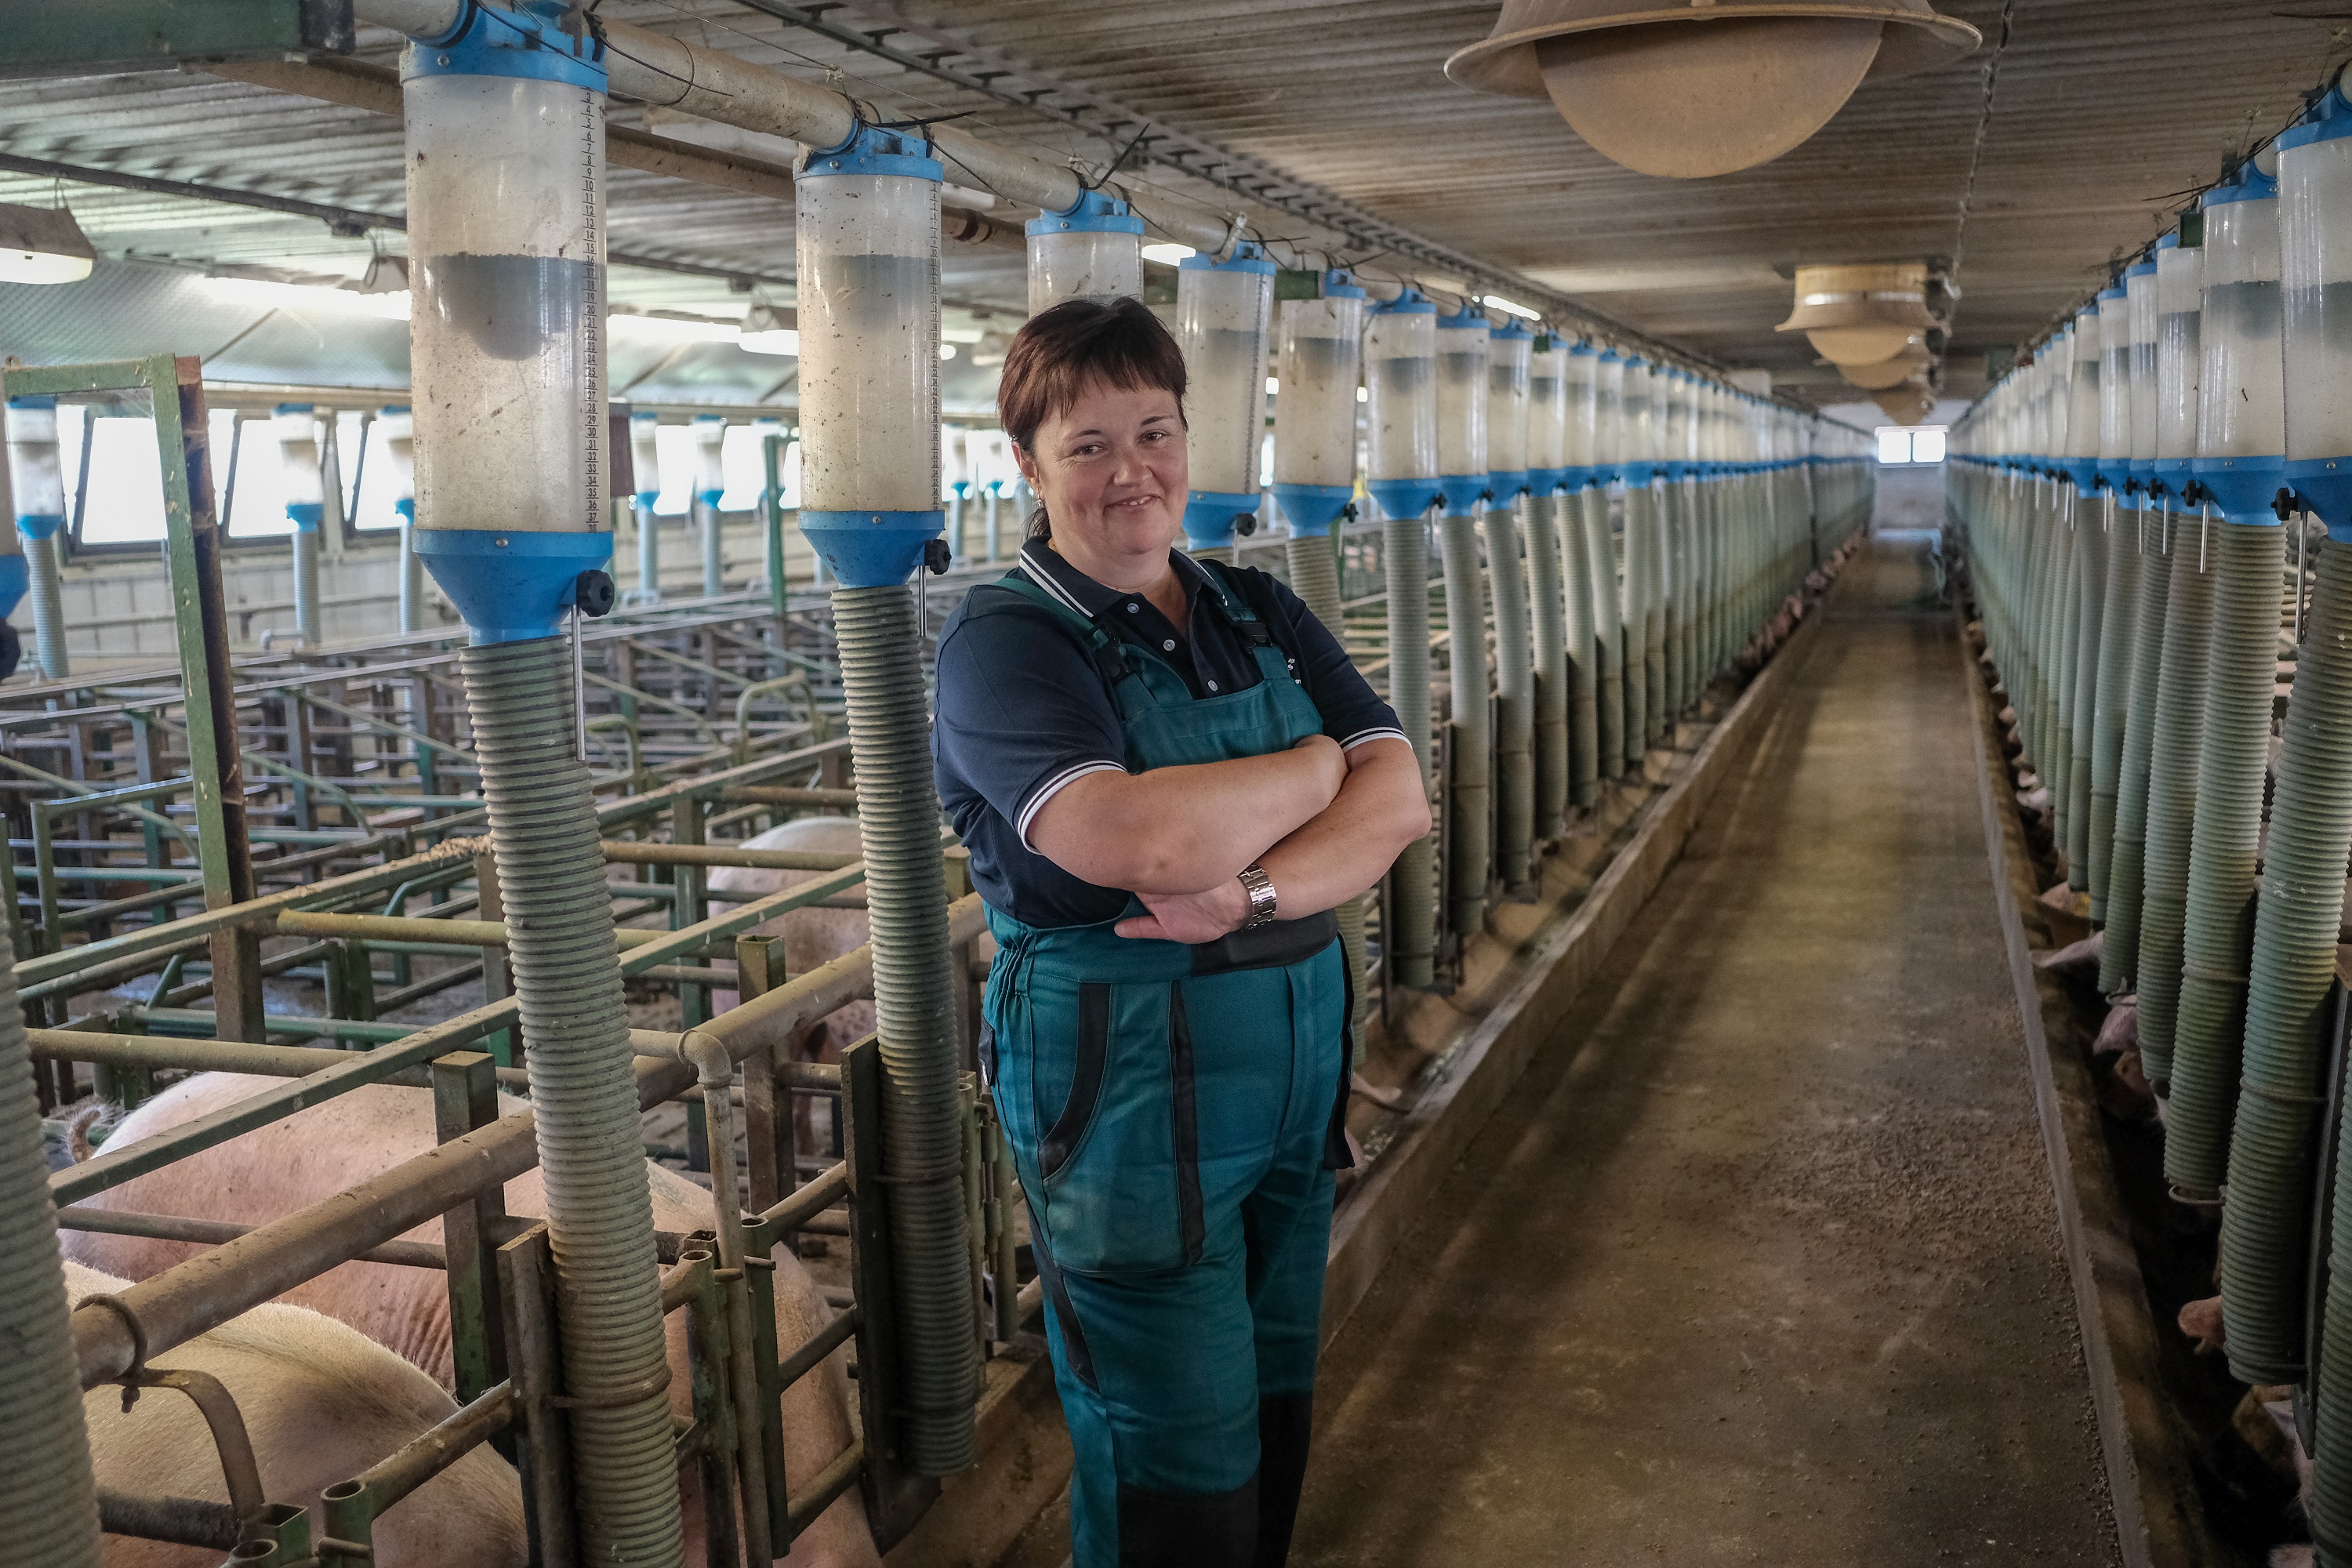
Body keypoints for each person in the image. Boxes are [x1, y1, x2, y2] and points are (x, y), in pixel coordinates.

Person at [931, 296, 1431, 1567]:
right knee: (1174, 1448)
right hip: (1129, 1087)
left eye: (1152, 433)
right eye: (1086, 445)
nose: (1129, 471)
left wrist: (1254, 889)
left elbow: (1404, 801)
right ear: (1028, 468)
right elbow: (1128, 842)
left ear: (1189, 440)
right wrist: (1318, 764)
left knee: (1271, 1404)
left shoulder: (1254, 605)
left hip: (1290, 1066)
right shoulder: (1005, 642)